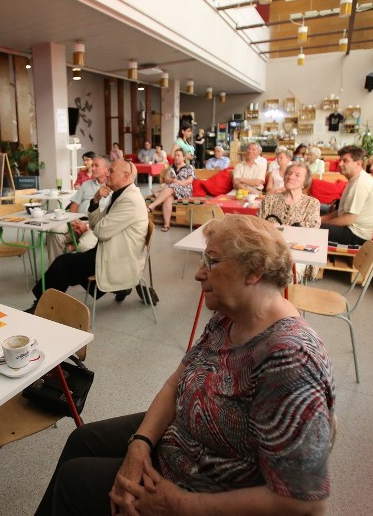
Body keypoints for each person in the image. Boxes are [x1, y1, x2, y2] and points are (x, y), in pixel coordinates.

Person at [35, 215, 335, 516]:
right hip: (185, 437)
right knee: (82, 439)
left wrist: (182, 504)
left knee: (74, 480)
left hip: (203, 491)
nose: (199, 274)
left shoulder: (290, 359)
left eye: (213, 261)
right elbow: (175, 383)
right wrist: (140, 442)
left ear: (253, 271)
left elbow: (305, 501)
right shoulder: (230, 316)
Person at [23, 159, 148, 311]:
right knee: (70, 264)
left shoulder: (129, 199)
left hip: (119, 255)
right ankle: (119, 289)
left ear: (126, 175)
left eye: (112, 171)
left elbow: (100, 232)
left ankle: (42, 307)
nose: (108, 174)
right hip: (108, 249)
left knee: (63, 264)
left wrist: (92, 226)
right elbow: (96, 224)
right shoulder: (120, 194)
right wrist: (95, 200)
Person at [46, 155, 111, 262]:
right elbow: (74, 206)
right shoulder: (86, 185)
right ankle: (56, 270)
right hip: (76, 222)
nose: (92, 168)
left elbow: (107, 217)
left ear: (106, 169)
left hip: (95, 226)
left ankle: (81, 275)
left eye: (96, 166)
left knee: (84, 246)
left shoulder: (111, 187)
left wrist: (87, 226)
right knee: (54, 232)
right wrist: (74, 221)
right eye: (92, 165)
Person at [321, 145, 373, 245]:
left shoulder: (360, 183)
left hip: (356, 236)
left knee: (311, 228)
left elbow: (348, 219)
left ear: (358, 163)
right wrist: (321, 219)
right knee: (315, 217)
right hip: (351, 228)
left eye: (345, 161)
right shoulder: (355, 179)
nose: (340, 164)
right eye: (340, 160)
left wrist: (320, 223)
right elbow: (342, 212)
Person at [259, 163, 321, 228]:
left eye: (297, 175)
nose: (290, 177)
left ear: (305, 182)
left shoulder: (312, 203)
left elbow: (313, 227)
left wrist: (283, 227)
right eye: (289, 173)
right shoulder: (269, 200)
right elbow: (258, 224)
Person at [147, 149, 194, 232]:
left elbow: (190, 180)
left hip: (185, 189)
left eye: (179, 155)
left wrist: (179, 182)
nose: (176, 157)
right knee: (168, 198)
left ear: (183, 157)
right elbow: (166, 179)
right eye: (175, 155)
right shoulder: (172, 167)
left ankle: (152, 206)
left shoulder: (188, 167)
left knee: (171, 187)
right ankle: (166, 225)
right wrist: (173, 181)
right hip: (172, 189)